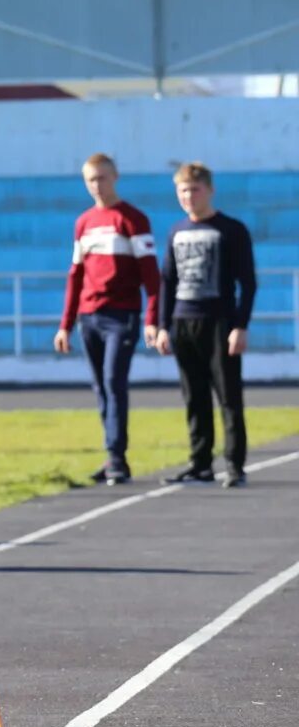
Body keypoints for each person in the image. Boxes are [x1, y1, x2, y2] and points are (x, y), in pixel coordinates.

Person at [54, 152, 160, 486]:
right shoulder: (83, 222)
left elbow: (151, 276)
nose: (97, 185)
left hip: (122, 314)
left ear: (115, 177)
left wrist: (151, 319)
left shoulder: (133, 220)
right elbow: (76, 275)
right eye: (90, 180)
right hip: (89, 316)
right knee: (101, 386)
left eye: (102, 178)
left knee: (115, 382)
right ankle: (113, 455)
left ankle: (117, 455)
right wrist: (65, 324)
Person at [155, 163, 255, 487]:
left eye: (194, 189)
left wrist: (240, 325)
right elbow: (167, 282)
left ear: (209, 190)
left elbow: (248, 282)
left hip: (219, 323)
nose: (188, 196)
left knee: (228, 396)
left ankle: (235, 465)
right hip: (184, 322)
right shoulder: (175, 231)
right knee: (194, 397)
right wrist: (161, 326)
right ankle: (200, 464)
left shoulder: (231, 230)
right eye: (183, 190)